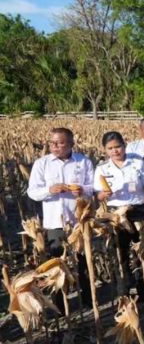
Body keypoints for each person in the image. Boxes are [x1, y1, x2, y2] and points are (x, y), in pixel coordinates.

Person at [27, 127, 93, 308]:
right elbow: (32, 192)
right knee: (56, 264)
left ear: (71, 143)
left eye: (60, 143)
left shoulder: (83, 161)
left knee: (83, 262)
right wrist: (50, 190)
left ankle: (89, 300)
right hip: (54, 221)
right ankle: (60, 305)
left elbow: (92, 186)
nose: (55, 146)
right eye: (52, 143)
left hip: (79, 221)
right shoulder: (42, 164)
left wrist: (83, 190)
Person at [94, 131, 144, 302]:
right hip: (115, 215)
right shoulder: (102, 169)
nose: (115, 151)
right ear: (105, 150)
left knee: (141, 252)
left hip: (139, 211)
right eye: (110, 148)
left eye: (118, 147)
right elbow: (97, 196)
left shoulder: (137, 162)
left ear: (124, 145)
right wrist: (103, 195)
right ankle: (124, 291)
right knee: (118, 253)